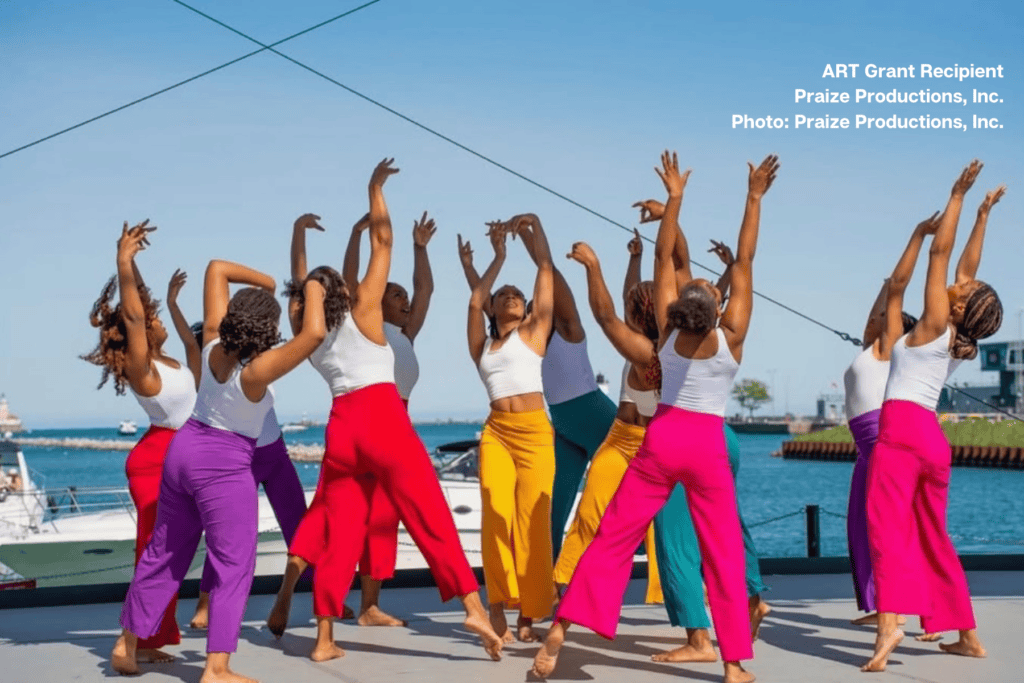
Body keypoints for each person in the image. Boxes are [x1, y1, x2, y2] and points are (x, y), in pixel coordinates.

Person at [534, 151, 779, 683]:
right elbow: (745, 260)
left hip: (660, 441)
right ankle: (734, 665)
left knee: (612, 539)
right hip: (707, 447)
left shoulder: (662, 340)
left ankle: (559, 632)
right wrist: (754, 197)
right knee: (721, 555)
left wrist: (674, 198)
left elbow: (663, 258)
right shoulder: (731, 336)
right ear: (716, 308)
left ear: (678, 310)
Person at [282, 159, 503, 663]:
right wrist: (375, 190)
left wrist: (298, 236)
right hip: (384, 419)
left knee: (341, 534)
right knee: (429, 515)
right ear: (345, 290)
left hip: (341, 428)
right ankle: (472, 605)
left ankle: (323, 640)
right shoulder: (366, 313)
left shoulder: (310, 335)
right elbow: (385, 243)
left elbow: (301, 282)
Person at [112, 252, 328, 683]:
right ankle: (217, 668)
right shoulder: (257, 372)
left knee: (164, 553)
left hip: (184, 449)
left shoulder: (211, 341)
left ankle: (126, 643)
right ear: (267, 333)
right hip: (224, 465)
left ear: (231, 319)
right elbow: (316, 331)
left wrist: (266, 281)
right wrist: (314, 288)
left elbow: (215, 268)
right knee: (234, 564)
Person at [862, 163, 1003, 672]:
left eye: (965, 290)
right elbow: (966, 266)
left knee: (885, 531)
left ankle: (889, 628)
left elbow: (942, 255)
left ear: (961, 308)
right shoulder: (954, 337)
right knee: (933, 538)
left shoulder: (937, 322)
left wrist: (956, 197)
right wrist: (983, 215)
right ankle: (967, 634)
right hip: (932, 442)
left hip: (901, 433)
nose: (960, 285)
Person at [633, 201, 773, 660]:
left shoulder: (671, 333)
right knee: (726, 526)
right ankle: (753, 596)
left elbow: (670, 262)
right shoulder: (726, 331)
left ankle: (698, 638)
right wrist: (730, 258)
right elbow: (688, 263)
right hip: (720, 437)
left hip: (678, 438)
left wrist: (672, 207)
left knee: (674, 534)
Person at [458, 215, 616, 564]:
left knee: (635, 499)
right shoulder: (523, 341)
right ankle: (552, 580)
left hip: (596, 416)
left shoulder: (569, 328)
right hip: (561, 425)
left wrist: (531, 231)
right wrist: (471, 268)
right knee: (552, 512)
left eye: (527, 302)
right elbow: (486, 306)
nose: (523, 306)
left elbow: (550, 273)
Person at [81, 222, 199, 665]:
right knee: (158, 552)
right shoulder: (142, 366)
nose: (156, 318)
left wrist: (145, 277)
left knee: (170, 553)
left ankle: (148, 638)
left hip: (179, 457)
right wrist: (124, 262)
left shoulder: (166, 360)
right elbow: (133, 313)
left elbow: (140, 306)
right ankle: (127, 642)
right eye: (154, 317)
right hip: (157, 462)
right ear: (142, 330)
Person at [461, 213, 557, 643]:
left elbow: (545, 271)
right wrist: (497, 256)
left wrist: (533, 226)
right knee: (495, 515)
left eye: (520, 295)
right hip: (497, 432)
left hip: (536, 432)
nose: (515, 297)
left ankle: (530, 615)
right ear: (494, 306)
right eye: (505, 294)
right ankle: (498, 603)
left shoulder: (535, 331)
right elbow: (472, 300)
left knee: (532, 522)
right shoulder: (483, 344)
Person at [554, 237, 664, 606]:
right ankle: (563, 586)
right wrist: (636, 257)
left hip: (648, 444)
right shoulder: (640, 339)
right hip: (619, 440)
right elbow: (626, 302)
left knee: (659, 528)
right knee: (591, 512)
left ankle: (689, 593)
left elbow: (606, 315)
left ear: (640, 316)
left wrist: (593, 267)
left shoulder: (652, 351)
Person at [844, 213, 938, 627]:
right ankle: (888, 604)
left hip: (880, 443)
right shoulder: (873, 345)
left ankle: (895, 610)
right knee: (866, 528)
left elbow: (896, 294)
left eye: (883, 319)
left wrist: (916, 238)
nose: (875, 321)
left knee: (885, 529)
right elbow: (878, 308)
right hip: (869, 446)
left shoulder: (889, 347)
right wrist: (883, 288)